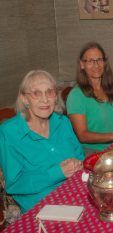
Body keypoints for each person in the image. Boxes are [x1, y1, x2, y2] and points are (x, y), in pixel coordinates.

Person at [0, 70, 84, 213]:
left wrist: (77, 163)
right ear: (24, 99)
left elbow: (80, 155)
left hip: (75, 194)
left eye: (50, 92)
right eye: (36, 93)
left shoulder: (63, 122)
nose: (45, 100)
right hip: (41, 208)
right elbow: (14, 184)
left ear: (55, 97)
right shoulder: (9, 132)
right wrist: (57, 172)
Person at [66, 42, 113, 155]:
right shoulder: (76, 96)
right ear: (82, 64)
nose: (96, 65)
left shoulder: (106, 89)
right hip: (93, 153)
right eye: (91, 61)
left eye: (99, 60)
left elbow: (112, 121)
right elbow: (83, 135)